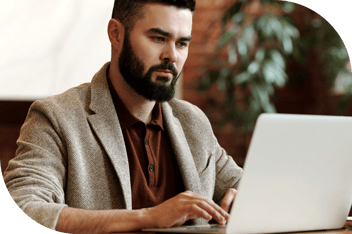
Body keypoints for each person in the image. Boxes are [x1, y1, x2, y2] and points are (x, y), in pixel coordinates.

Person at [3, 0, 243, 233]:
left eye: (182, 43)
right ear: (116, 34)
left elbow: (251, 187)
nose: (172, 55)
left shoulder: (194, 122)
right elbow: (20, 210)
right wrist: (148, 217)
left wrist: (247, 196)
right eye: (158, 38)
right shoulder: (56, 118)